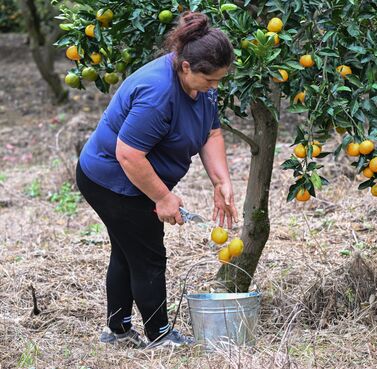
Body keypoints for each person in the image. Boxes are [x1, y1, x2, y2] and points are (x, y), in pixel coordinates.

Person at [75, 11, 238, 349]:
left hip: (131, 175)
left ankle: (118, 331)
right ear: (186, 67)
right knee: (148, 254)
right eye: (211, 80)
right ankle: (160, 336)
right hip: (112, 179)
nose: (215, 87)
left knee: (127, 251)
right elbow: (129, 155)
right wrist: (163, 198)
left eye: (220, 80)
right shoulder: (158, 93)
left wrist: (221, 181)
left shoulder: (201, 84)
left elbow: (211, 132)